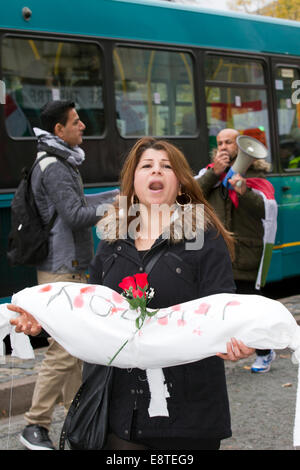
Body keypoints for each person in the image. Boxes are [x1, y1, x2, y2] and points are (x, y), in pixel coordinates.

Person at [10, 137, 255, 450]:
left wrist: (236, 339)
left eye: (167, 167)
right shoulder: (112, 241)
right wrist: (43, 323)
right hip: (120, 409)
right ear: (134, 181)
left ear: (180, 183)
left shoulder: (204, 238)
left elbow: (223, 308)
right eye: (147, 166)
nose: (157, 172)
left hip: (188, 411)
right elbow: (87, 311)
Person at [16, 100, 117, 450]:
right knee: (62, 351)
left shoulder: (61, 161)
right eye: (76, 122)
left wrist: (118, 194)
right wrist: (114, 205)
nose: (83, 127)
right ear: (59, 130)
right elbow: (75, 215)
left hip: (66, 268)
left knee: (73, 349)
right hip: (63, 270)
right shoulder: (56, 166)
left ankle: (81, 425)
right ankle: (34, 425)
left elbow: (77, 204)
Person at [196, 128, 276, 374]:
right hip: (216, 254)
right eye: (219, 143)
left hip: (246, 254)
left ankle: (264, 350)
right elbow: (191, 195)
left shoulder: (257, 177)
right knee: (217, 309)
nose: (223, 147)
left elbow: (268, 211)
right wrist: (214, 174)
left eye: (228, 142)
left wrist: (245, 192)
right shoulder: (209, 173)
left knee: (251, 311)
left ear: (239, 146)